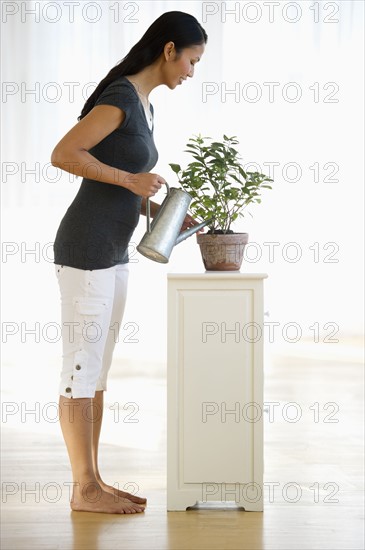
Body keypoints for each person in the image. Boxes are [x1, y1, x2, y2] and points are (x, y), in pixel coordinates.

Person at [51, 11, 207, 514]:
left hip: (112, 253)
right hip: (85, 251)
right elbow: (64, 153)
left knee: (96, 373)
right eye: (191, 60)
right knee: (80, 369)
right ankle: (83, 489)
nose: (191, 71)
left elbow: (117, 182)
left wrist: (156, 210)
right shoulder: (120, 96)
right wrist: (132, 182)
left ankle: (93, 482)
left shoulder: (145, 105)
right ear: (168, 50)